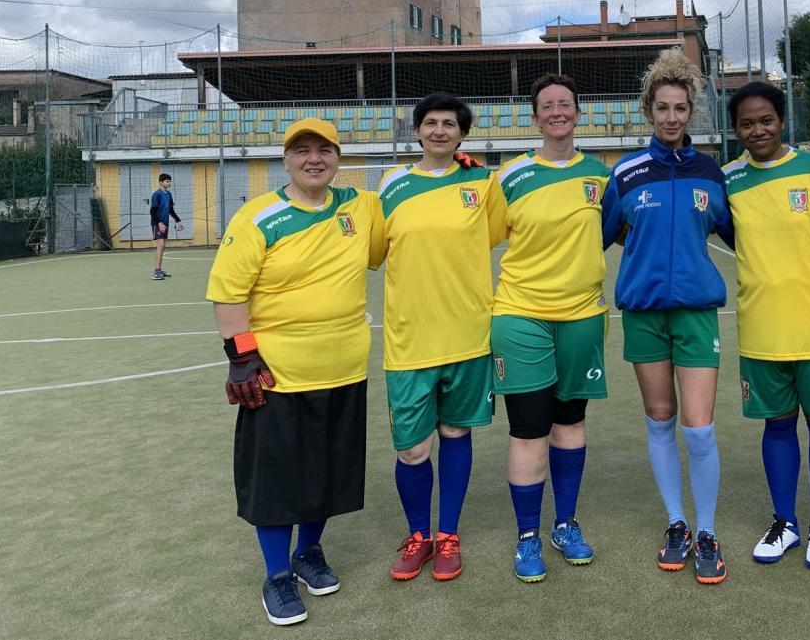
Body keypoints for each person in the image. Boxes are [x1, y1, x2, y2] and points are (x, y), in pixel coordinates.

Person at [206, 118, 382, 626]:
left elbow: (411, 200)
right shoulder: (258, 216)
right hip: (279, 376)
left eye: (324, 150)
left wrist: (457, 163)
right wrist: (242, 356)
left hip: (344, 368)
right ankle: (277, 575)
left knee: (326, 473)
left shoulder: (359, 206)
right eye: (301, 150)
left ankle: (310, 552)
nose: (314, 159)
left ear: (338, 158)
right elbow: (228, 292)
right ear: (285, 160)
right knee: (278, 481)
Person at [601, 48, 734, 585]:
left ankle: (707, 531)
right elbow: (605, 232)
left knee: (698, 428)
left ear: (691, 111)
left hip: (698, 314)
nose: (672, 117)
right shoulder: (627, 173)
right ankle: (675, 524)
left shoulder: (710, 172)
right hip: (645, 315)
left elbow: (735, 232)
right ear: (648, 110)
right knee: (660, 419)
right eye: (662, 108)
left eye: (680, 108)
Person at [723, 82, 810, 570]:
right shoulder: (729, 179)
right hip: (761, 325)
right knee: (777, 425)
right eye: (747, 123)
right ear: (735, 129)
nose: (757, 130)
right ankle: (785, 523)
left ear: (783, 120)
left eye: (766, 120)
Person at [380, 92, 505, 584]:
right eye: (430, 123)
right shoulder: (391, 185)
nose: (438, 130)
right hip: (409, 342)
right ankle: (418, 535)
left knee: (455, 434)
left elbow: (493, 235)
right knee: (412, 449)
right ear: (417, 131)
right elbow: (374, 249)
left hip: (468, 336)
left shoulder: (482, 181)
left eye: (448, 124)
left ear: (462, 133)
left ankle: (448, 534)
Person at [491, 74, 611, 582]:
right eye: (548, 106)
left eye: (566, 103)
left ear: (578, 113)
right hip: (521, 315)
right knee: (529, 427)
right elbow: (478, 238)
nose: (557, 112)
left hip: (583, 316)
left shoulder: (602, 175)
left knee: (570, 423)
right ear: (535, 117)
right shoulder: (510, 177)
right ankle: (527, 537)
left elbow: (611, 234)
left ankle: (565, 523)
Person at [150, 172, 183, 280]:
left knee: (163, 246)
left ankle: (159, 270)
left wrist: (178, 220)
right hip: (158, 224)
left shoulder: (168, 195)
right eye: (167, 181)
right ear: (161, 182)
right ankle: (156, 272)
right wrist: (159, 223)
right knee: (160, 246)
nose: (169, 183)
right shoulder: (156, 194)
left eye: (170, 181)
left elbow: (171, 210)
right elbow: (152, 211)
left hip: (166, 224)